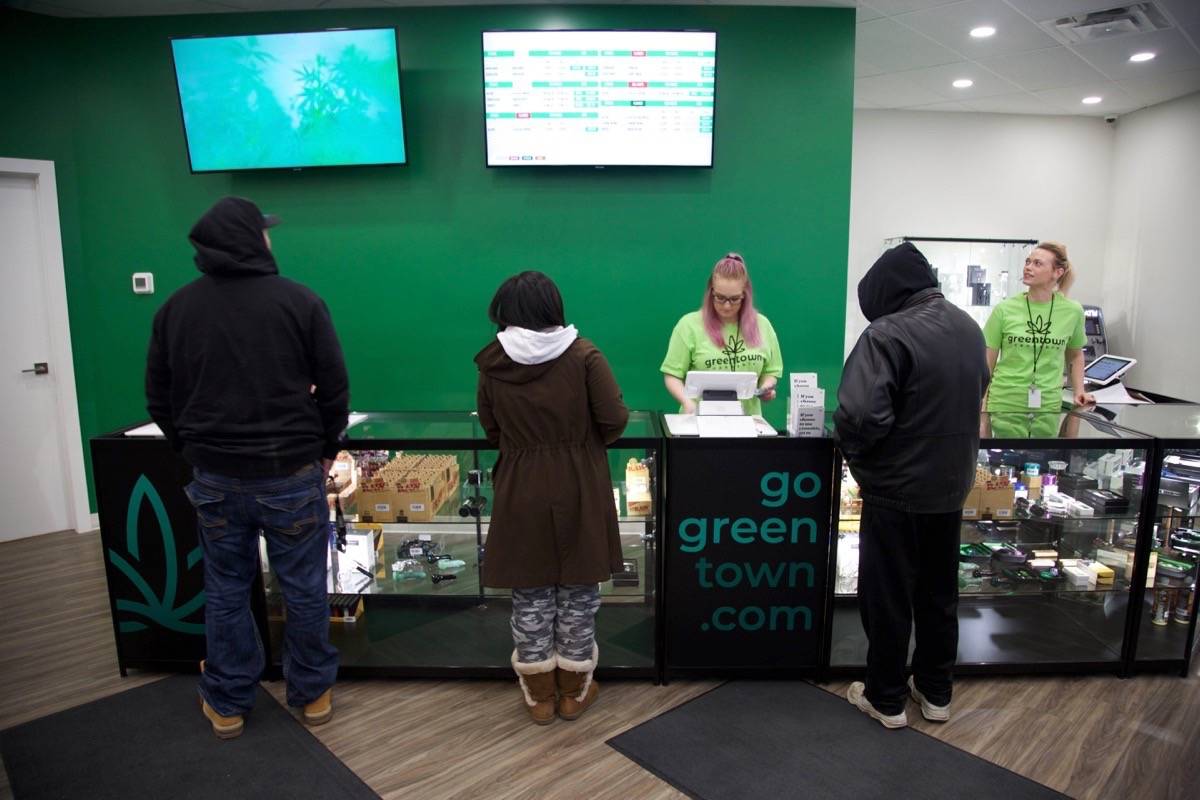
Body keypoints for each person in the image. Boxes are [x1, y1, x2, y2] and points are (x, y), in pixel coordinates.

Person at [145, 196, 349, 740]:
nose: (270, 239)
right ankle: (314, 695)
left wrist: (188, 448)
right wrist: (327, 447)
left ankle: (229, 703)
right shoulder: (300, 302)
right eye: (265, 231)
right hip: (290, 473)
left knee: (227, 587)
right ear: (252, 238)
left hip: (213, 477)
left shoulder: (176, 310)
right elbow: (333, 387)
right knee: (304, 588)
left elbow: (158, 399)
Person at [834, 242, 990, 729]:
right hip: (951, 486)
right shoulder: (968, 327)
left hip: (896, 490)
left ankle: (886, 697)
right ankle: (936, 691)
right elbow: (979, 390)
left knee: (888, 597)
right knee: (940, 594)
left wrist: (860, 463)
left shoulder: (887, 334)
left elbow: (860, 416)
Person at [474, 271, 629, 725]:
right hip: (580, 480)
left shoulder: (493, 364)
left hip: (520, 484)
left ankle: (539, 695)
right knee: (579, 592)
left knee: (532, 593)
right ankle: (574, 692)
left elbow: (491, 428)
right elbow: (614, 419)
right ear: (553, 308)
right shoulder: (584, 355)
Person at [982, 241, 1093, 439]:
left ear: (1057, 272)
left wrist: (1079, 391)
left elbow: (1075, 355)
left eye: (1037, 263)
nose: (1028, 267)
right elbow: (987, 362)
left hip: (1048, 405)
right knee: (1002, 466)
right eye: (1027, 261)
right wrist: (981, 402)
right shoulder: (1005, 310)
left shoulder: (1072, 311)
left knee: (1042, 465)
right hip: (1006, 402)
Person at [660, 252, 783, 416]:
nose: (726, 306)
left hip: (747, 425)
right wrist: (688, 403)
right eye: (719, 297)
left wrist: (767, 388)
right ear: (711, 291)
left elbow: (771, 371)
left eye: (734, 299)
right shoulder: (688, 325)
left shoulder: (763, 325)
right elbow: (672, 375)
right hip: (698, 423)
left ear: (745, 295)